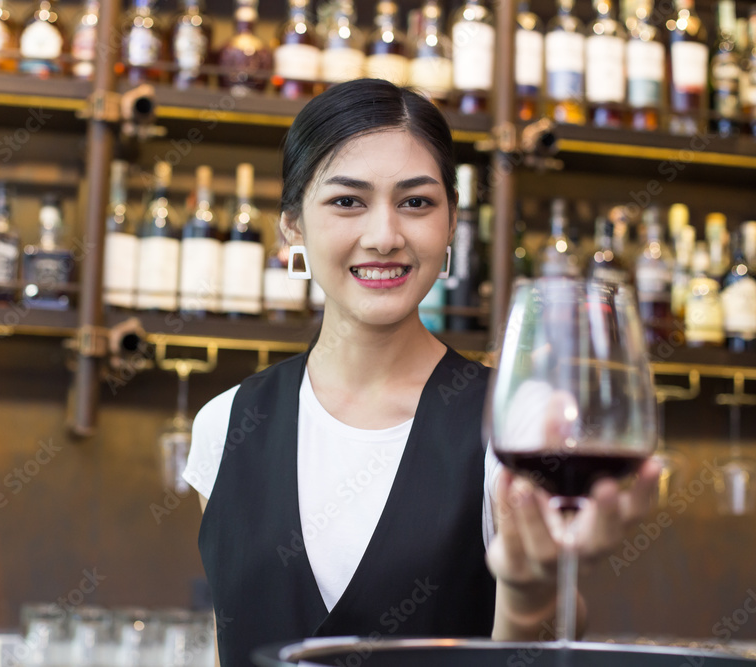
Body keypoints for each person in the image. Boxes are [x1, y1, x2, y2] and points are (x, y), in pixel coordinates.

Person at [182, 78, 660, 667]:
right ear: (292, 227)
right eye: (347, 201)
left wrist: (530, 589)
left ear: (451, 221)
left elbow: (540, 649)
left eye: (415, 202)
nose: (384, 236)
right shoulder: (225, 423)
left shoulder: (509, 429)